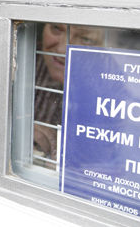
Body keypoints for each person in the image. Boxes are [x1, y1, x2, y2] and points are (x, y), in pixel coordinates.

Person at [33, 23, 104, 164]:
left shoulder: (116, 86)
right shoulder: (24, 55)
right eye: (56, 28)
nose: (61, 50)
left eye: (85, 38)